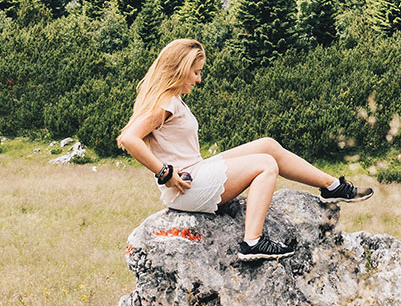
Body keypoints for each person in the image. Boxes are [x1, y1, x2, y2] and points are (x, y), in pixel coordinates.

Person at [116, 38, 373, 261]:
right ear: (180, 69)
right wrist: (164, 172)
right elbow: (129, 138)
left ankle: (332, 187)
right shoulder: (167, 102)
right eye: (195, 72)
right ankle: (252, 242)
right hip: (188, 187)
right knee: (265, 164)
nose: (199, 79)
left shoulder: (172, 100)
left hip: (195, 172)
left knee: (267, 145)